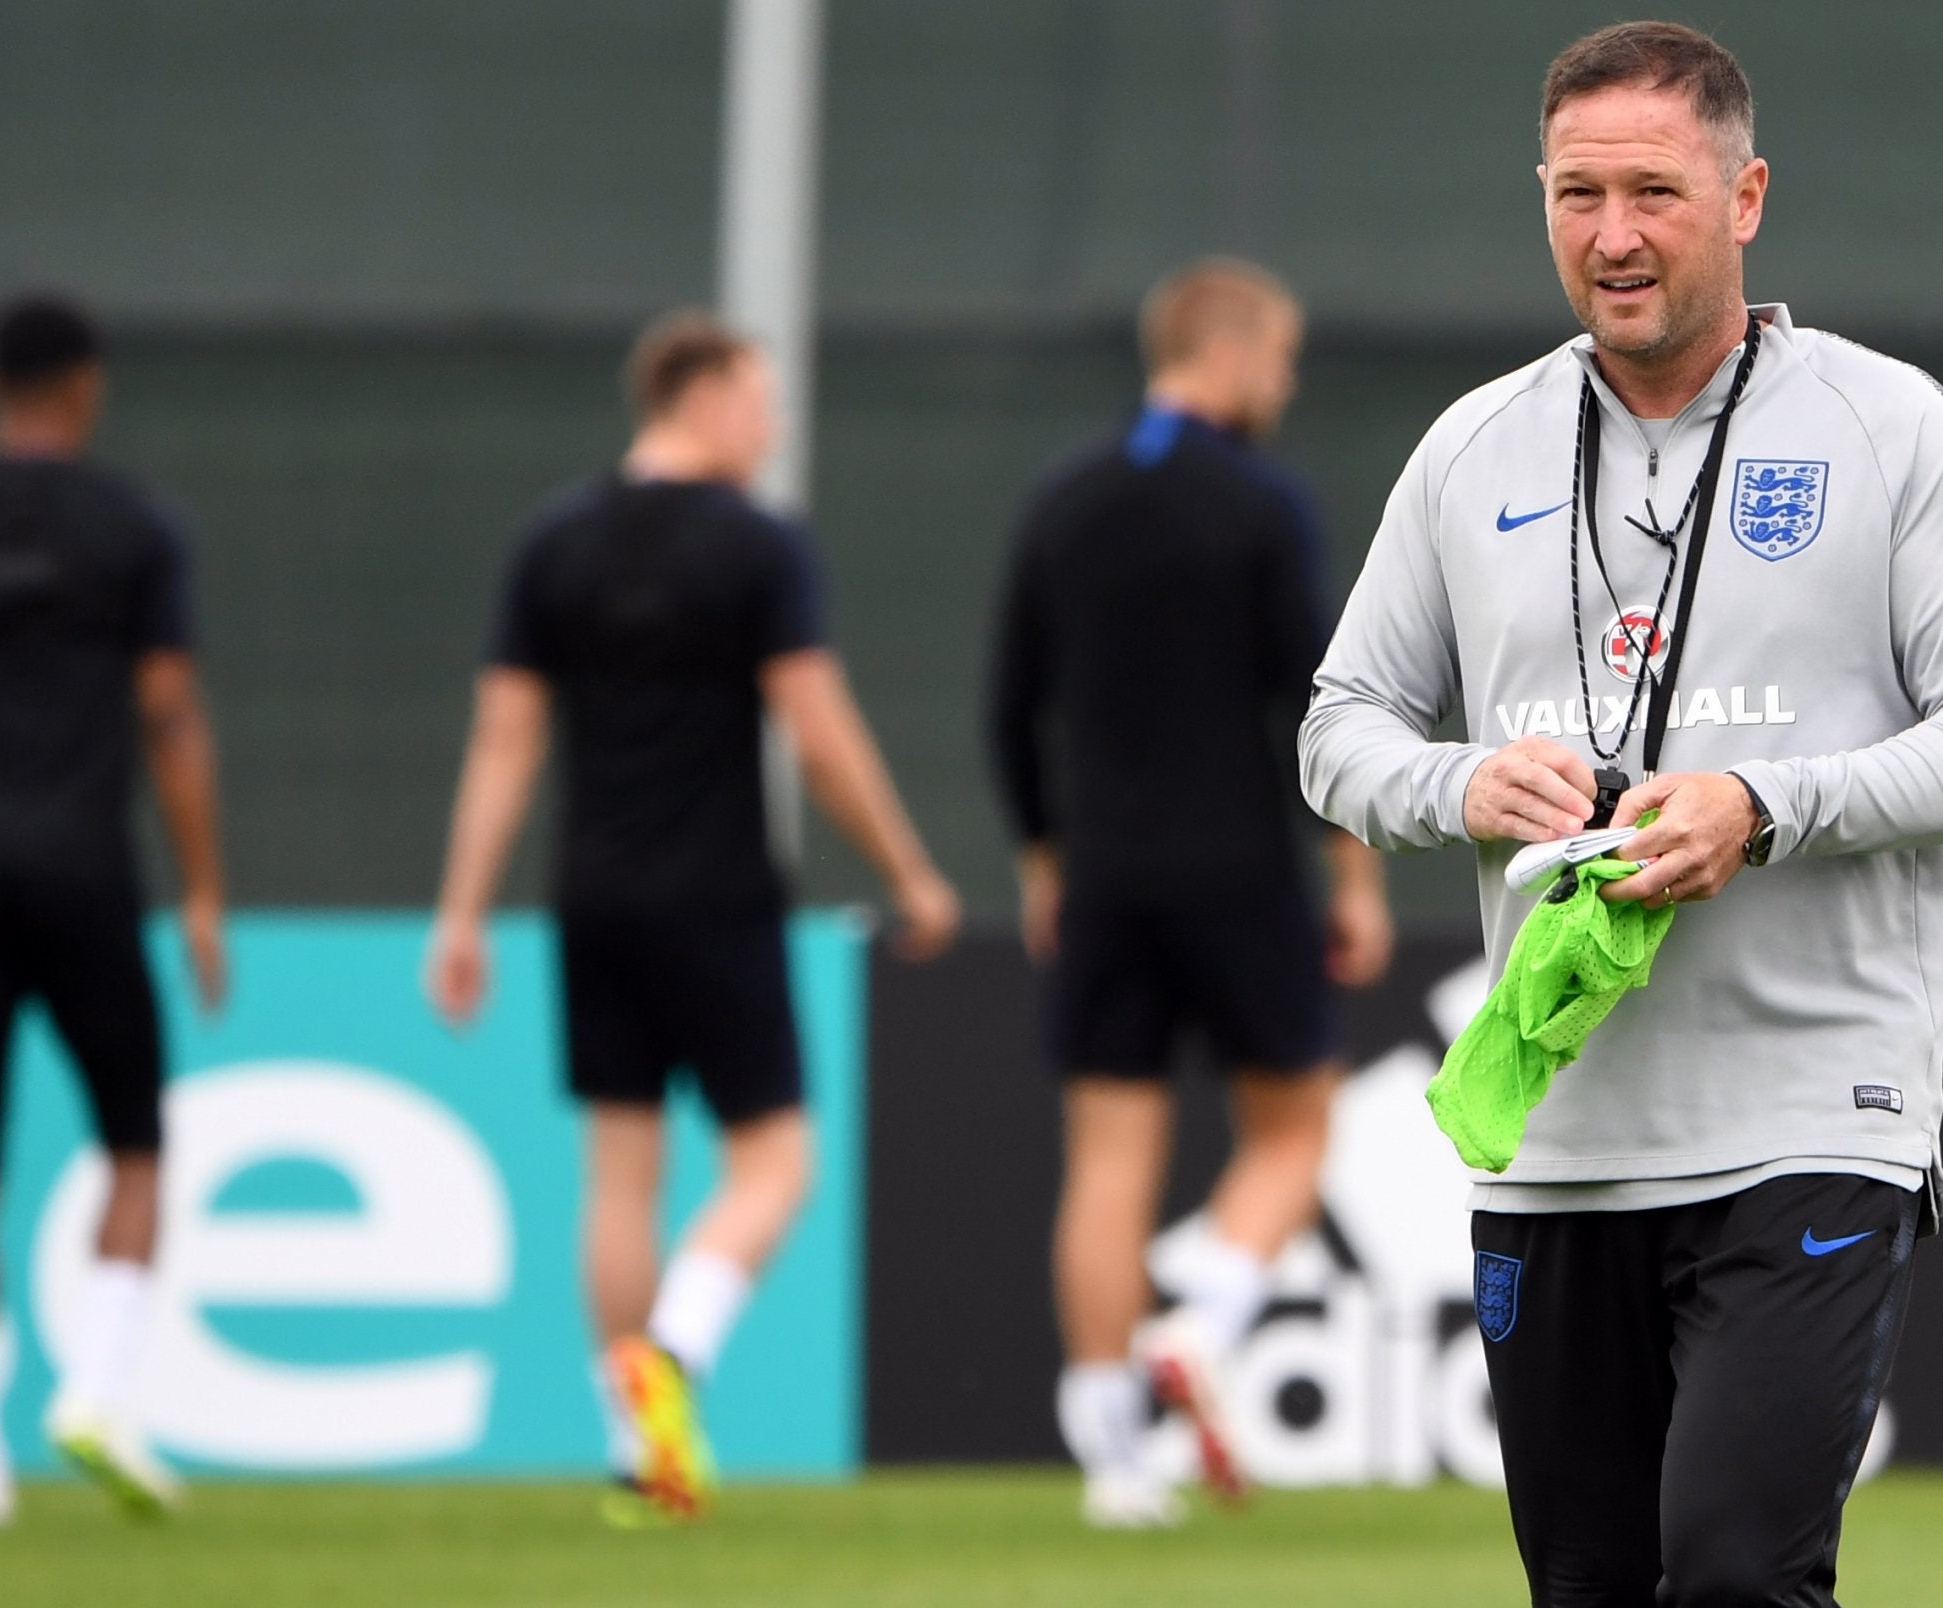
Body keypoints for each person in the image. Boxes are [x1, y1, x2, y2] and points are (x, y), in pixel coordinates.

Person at [1301, 22, 1943, 1608]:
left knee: (1731, 1574)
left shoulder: (1887, 426)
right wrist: (1464, 785)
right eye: (1578, 194)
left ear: (1748, 194)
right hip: (1556, 1131)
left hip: (1813, 1112)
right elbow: (1338, 732)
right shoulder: (1471, 447)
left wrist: (1763, 807)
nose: (1614, 233)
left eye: (1655, 189)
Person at [427, 310, 960, 1524]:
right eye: (759, 397)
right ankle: (672, 1352)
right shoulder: (755, 546)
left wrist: (460, 913)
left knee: (620, 1173)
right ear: (702, 393)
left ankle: (634, 1444)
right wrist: (907, 872)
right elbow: (817, 733)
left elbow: (505, 739)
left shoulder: (550, 542)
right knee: (774, 1161)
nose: (770, 423)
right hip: (715, 898)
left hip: (592, 900)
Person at [987, 259, 1395, 1530]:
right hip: (1236, 868)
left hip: (1104, 875)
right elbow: (1319, 706)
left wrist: (1044, 861)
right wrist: (1354, 875)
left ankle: (1113, 1459)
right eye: (1276, 357)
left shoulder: (1063, 498)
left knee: (1109, 1159)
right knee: (1292, 1132)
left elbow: (1010, 710)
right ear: (1223, 352)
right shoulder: (1261, 506)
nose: (1283, 381)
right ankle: (1207, 1310)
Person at [0, 294, 227, 1527]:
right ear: (83, 386)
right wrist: (205, 888)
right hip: (85, 873)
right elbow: (170, 716)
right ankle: (97, 1390)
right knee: (135, 1142)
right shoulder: (134, 531)